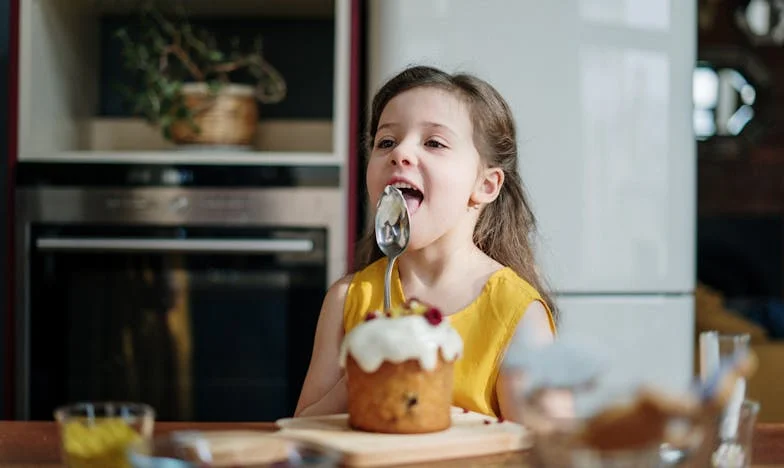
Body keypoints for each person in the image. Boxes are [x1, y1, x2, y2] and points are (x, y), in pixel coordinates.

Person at [294, 65, 557, 421]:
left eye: (434, 142)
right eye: (385, 141)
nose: (399, 153)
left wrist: (434, 409)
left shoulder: (517, 312)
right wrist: (364, 376)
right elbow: (302, 432)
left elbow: (545, 449)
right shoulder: (347, 300)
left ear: (486, 185)